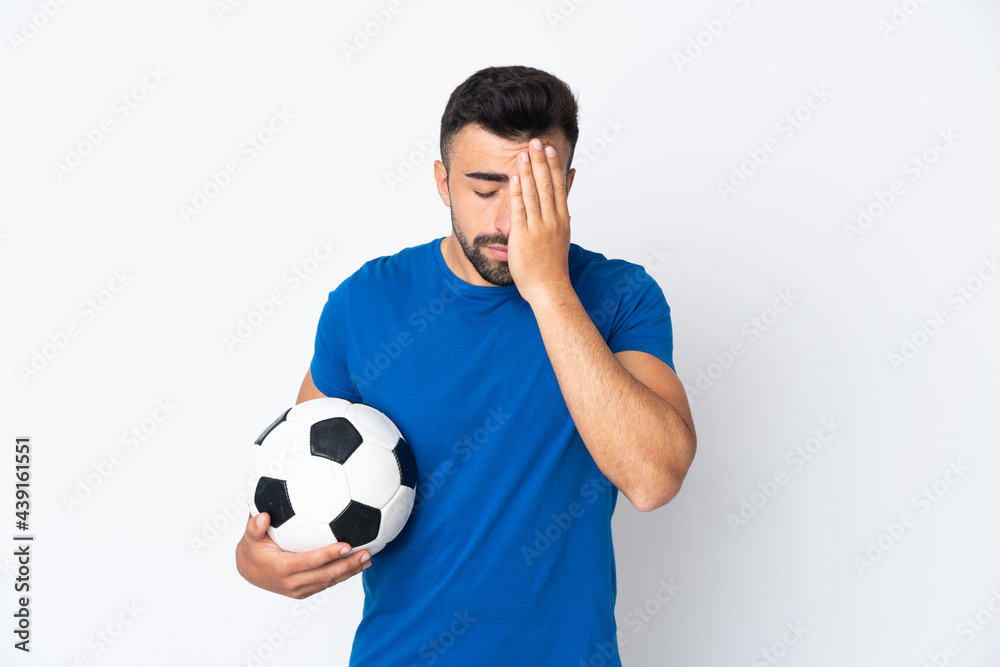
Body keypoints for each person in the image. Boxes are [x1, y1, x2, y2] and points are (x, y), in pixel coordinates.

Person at [236, 64, 696, 666]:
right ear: (442, 182)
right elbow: (304, 483)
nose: (508, 222)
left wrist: (549, 289)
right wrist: (257, 561)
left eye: (536, 192)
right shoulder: (365, 304)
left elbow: (653, 479)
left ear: (568, 185)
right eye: (485, 190)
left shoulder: (620, 296)